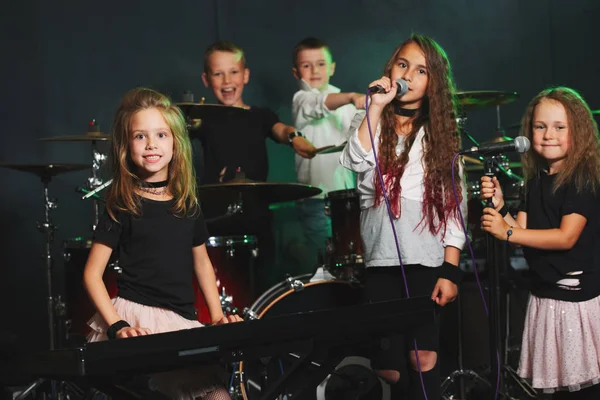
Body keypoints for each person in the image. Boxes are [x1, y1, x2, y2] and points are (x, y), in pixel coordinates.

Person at [83, 87, 241, 400]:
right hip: (138, 316)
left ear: (176, 144)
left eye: (161, 135)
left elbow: (202, 264)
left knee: (218, 395)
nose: (151, 144)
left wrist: (216, 317)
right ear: (126, 146)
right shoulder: (123, 203)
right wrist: (117, 326)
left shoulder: (187, 203)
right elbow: (91, 274)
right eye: (140, 136)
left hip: (181, 321)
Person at [340, 34, 467, 399]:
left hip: (426, 259)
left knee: (422, 356)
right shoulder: (367, 116)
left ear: (434, 83)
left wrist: (450, 270)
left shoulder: (441, 133)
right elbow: (354, 159)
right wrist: (376, 107)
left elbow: (454, 210)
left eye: (421, 70)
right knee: (388, 368)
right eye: (403, 64)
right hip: (381, 260)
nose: (409, 74)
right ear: (390, 68)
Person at [480, 87, 600, 399]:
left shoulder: (582, 178)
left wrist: (507, 232)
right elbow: (522, 233)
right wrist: (501, 207)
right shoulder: (535, 180)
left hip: (575, 302)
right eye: (540, 126)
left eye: (560, 127)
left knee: (583, 391)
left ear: (579, 132)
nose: (549, 135)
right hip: (545, 298)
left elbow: (565, 237)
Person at [192, 41, 316, 294]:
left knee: (261, 286)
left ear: (246, 75)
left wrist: (295, 137)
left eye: (234, 72)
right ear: (206, 79)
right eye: (218, 73)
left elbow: (281, 130)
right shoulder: (204, 119)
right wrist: (190, 119)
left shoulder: (260, 116)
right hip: (216, 220)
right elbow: (186, 129)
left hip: (257, 217)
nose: (227, 80)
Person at [290, 37, 364, 269]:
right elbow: (321, 103)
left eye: (321, 64)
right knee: (323, 261)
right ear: (296, 72)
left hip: (347, 199)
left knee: (350, 259)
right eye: (306, 65)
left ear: (332, 68)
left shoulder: (348, 105)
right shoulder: (301, 99)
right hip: (316, 201)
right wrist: (352, 97)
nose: (314, 70)